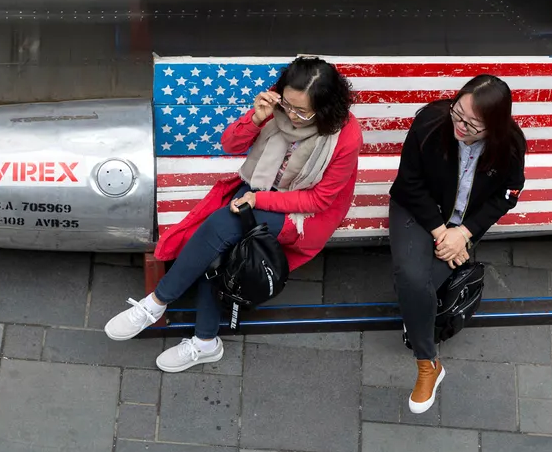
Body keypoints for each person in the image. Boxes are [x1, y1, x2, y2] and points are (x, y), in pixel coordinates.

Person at [104, 56, 363, 372]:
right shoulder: (276, 106)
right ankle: (205, 343)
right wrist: (256, 119)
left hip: (304, 216)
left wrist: (257, 199)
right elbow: (230, 144)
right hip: (260, 187)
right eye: (288, 106)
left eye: (303, 112)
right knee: (223, 248)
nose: (293, 117)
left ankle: (157, 303)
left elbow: (318, 200)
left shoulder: (345, 136)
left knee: (223, 224)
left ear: (325, 108)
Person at [388, 74, 526, 414]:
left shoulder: (510, 145)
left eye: (472, 124)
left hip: (464, 223)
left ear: (494, 126)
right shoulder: (430, 123)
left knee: (417, 286)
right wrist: (442, 233)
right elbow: (408, 182)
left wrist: (464, 233)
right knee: (411, 276)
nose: (460, 126)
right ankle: (427, 363)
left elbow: (508, 195)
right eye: (457, 113)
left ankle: (416, 315)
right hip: (418, 209)